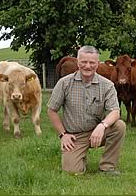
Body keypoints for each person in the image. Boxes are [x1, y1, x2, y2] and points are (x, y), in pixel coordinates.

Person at [48, 45, 126, 175]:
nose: (87, 66)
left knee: (119, 126)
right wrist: (63, 135)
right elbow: (52, 110)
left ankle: (107, 167)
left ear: (97, 64)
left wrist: (102, 126)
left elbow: (115, 111)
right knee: (73, 172)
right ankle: (79, 156)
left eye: (92, 62)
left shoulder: (107, 85)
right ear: (78, 63)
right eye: (84, 62)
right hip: (74, 136)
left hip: (97, 131)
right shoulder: (64, 83)